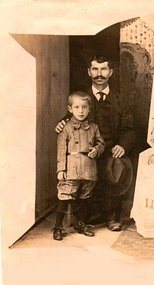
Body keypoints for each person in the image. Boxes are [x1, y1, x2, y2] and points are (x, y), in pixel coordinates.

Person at [55, 55, 135, 231]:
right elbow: (71, 118)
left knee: (115, 167)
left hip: (109, 150)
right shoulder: (81, 99)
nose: (100, 74)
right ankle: (87, 216)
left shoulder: (121, 100)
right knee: (82, 172)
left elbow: (129, 129)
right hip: (85, 152)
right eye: (95, 69)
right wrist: (62, 123)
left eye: (104, 69)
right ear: (89, 72)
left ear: (111, 72)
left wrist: (122, 145)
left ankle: (113, 215)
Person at [54, 91, 105, 241]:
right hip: (71, 167)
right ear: (70, 109)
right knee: (65, 196)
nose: (81, 111)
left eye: (84, 107)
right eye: (77, 107)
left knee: (85, 197)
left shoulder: (94, 127)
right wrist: (61, 169)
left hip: (88, 167)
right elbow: (61, 150)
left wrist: (96, 150)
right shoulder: (66, 128)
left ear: (89, 109)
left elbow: (101, 143)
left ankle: (81, 224)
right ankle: (58, 227)